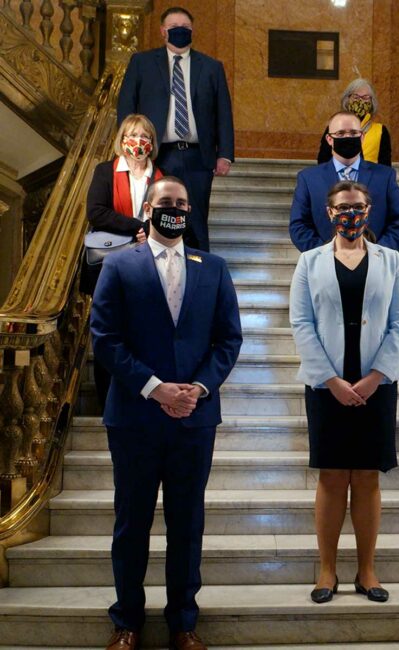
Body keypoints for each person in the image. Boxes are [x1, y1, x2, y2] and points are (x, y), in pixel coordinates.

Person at [90, 176, 242, 650]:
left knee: (187, 523)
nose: (173, 209)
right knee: (131, 522)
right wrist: (157, 389)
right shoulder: (119, 265)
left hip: (194, 418)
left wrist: (196, 387)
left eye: (181, 203)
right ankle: (127, 621)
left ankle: (183, 622)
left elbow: (228, 340)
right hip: (135, 418)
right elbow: (104, 337)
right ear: (148, 209)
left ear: (189, 211)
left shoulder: (213, 268)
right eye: (164, 203)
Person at [289, 181, 399, 604]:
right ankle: (326, 570)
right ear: (328, 213)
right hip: (327, 386)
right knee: (331, 475)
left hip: (376, 385)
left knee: (366, 477)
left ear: (369, 210)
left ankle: (366, 570)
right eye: (342, 208)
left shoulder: (391, 261)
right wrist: (331, 380)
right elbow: (301, 324)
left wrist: (377, 376)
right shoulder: (309, 262)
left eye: (358, 207)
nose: (350, 214)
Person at [117, 5, 234, 252]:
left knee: (197, 218)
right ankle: (155, 264)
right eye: (174, 27)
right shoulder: (142, 63)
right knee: (157, 214)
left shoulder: (212, 67)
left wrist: (224, 153)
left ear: (192, 31)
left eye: (186, 27)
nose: (180, 31)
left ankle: (199, 269)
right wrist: (127, 148)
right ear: (162, 31)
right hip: (157, 153)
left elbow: (223, 112)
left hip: (198, 155)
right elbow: (126, 106)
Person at [80, 113, 164, 410]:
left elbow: (166, 216)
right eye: (131, 134)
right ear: (121, 139)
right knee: (108, 334)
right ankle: (107, 404)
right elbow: (96, 212)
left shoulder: (160, 177)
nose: (137, 141)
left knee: (139, 336)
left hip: (146, 267)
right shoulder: (105, 171)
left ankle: (136, 401)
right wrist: (136, 227)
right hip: (109, 265)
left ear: (152, 142)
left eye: (143, 135)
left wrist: (151, 232)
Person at [290, 111, 399, 252]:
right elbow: (298, 225)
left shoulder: (385, 176)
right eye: (340, 133)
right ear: (329, 139)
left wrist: (377, 254)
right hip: (325, 266)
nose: (347, 137)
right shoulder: (308, 178)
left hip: (375, 263)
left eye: (353, 133)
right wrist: (325, 255)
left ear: (362, 137)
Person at [317, 78, 392, 166]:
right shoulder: (334, 127)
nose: (360, 101)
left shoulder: (380, 131)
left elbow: (385, 166)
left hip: (368, 178)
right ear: (347, 100)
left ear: (372, 102)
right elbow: (323, 161)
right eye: (356, 97)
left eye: (365, 97)